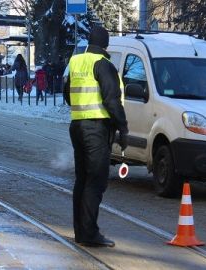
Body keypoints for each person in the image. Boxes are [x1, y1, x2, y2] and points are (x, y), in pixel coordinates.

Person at [64, 26, 128, 248]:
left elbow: (67, 94)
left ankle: (80, 232)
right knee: (96, 182)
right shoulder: (103, 64)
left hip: (78, 125)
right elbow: (112, 100)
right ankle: (90, 234)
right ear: (106, 44)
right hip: (97, 129)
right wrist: (123, 128)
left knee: (82, 180)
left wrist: (83, 110)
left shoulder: (76, 62)